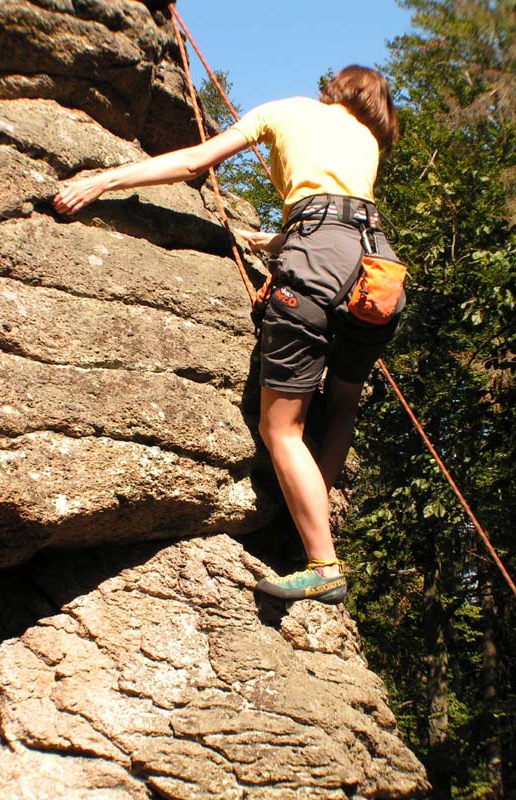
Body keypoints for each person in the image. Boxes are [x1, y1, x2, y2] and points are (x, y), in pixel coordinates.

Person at [53, 64, 401, 605]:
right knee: (342, 407)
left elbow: (195, 163)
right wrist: (279, 240)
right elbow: (344, 211)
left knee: (281, 427)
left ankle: (323, 562)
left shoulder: (286, 110)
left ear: (332, 89)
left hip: (316, 263)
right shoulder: (367, 139)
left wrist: (103, 179)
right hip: (379, 272)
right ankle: (306, 531)